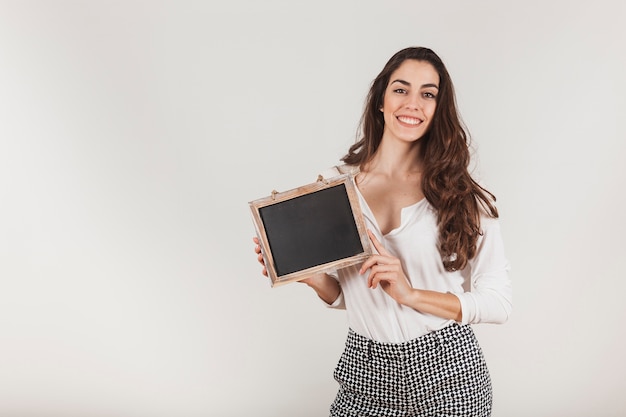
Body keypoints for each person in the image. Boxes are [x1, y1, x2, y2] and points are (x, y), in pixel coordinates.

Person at [252, 46, 512, 417]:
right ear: (381, 99)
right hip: (364, 370)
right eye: (401, 89)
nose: (412, 104)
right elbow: (351, 295)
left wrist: (410, 294)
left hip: (447, 373)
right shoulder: (336, 186)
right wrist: (313, 278)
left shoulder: (461, 193)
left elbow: (498, 303)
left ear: (438, 109)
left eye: (428, 94)